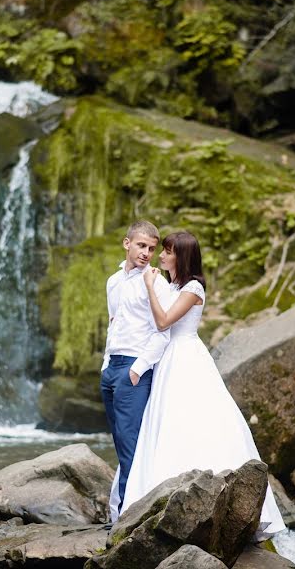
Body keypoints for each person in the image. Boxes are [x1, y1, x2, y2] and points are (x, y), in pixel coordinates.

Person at [121, 230, 286, 538]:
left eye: (167, 251)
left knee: (195, 421)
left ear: (180, 256)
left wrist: (149, 287)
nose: (161, 255)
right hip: (168, 359)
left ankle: (217, 503)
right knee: (166, 424)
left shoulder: (194, 287)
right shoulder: (172, 284)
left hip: (186, 359)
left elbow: (163, 321)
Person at [101, 220, 171, 518]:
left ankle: (129, 517)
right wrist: (105, 364)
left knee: (131, 444)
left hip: (134, 368)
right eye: (142, 246)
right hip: (111, 368)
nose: (146, 253)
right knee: (120, 442)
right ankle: (121, 513)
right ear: (127, 243)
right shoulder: (113, 282)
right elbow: (113, 323)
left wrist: (138, 369)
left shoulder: (157, 282)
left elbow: (162, 332)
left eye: (152, 249)